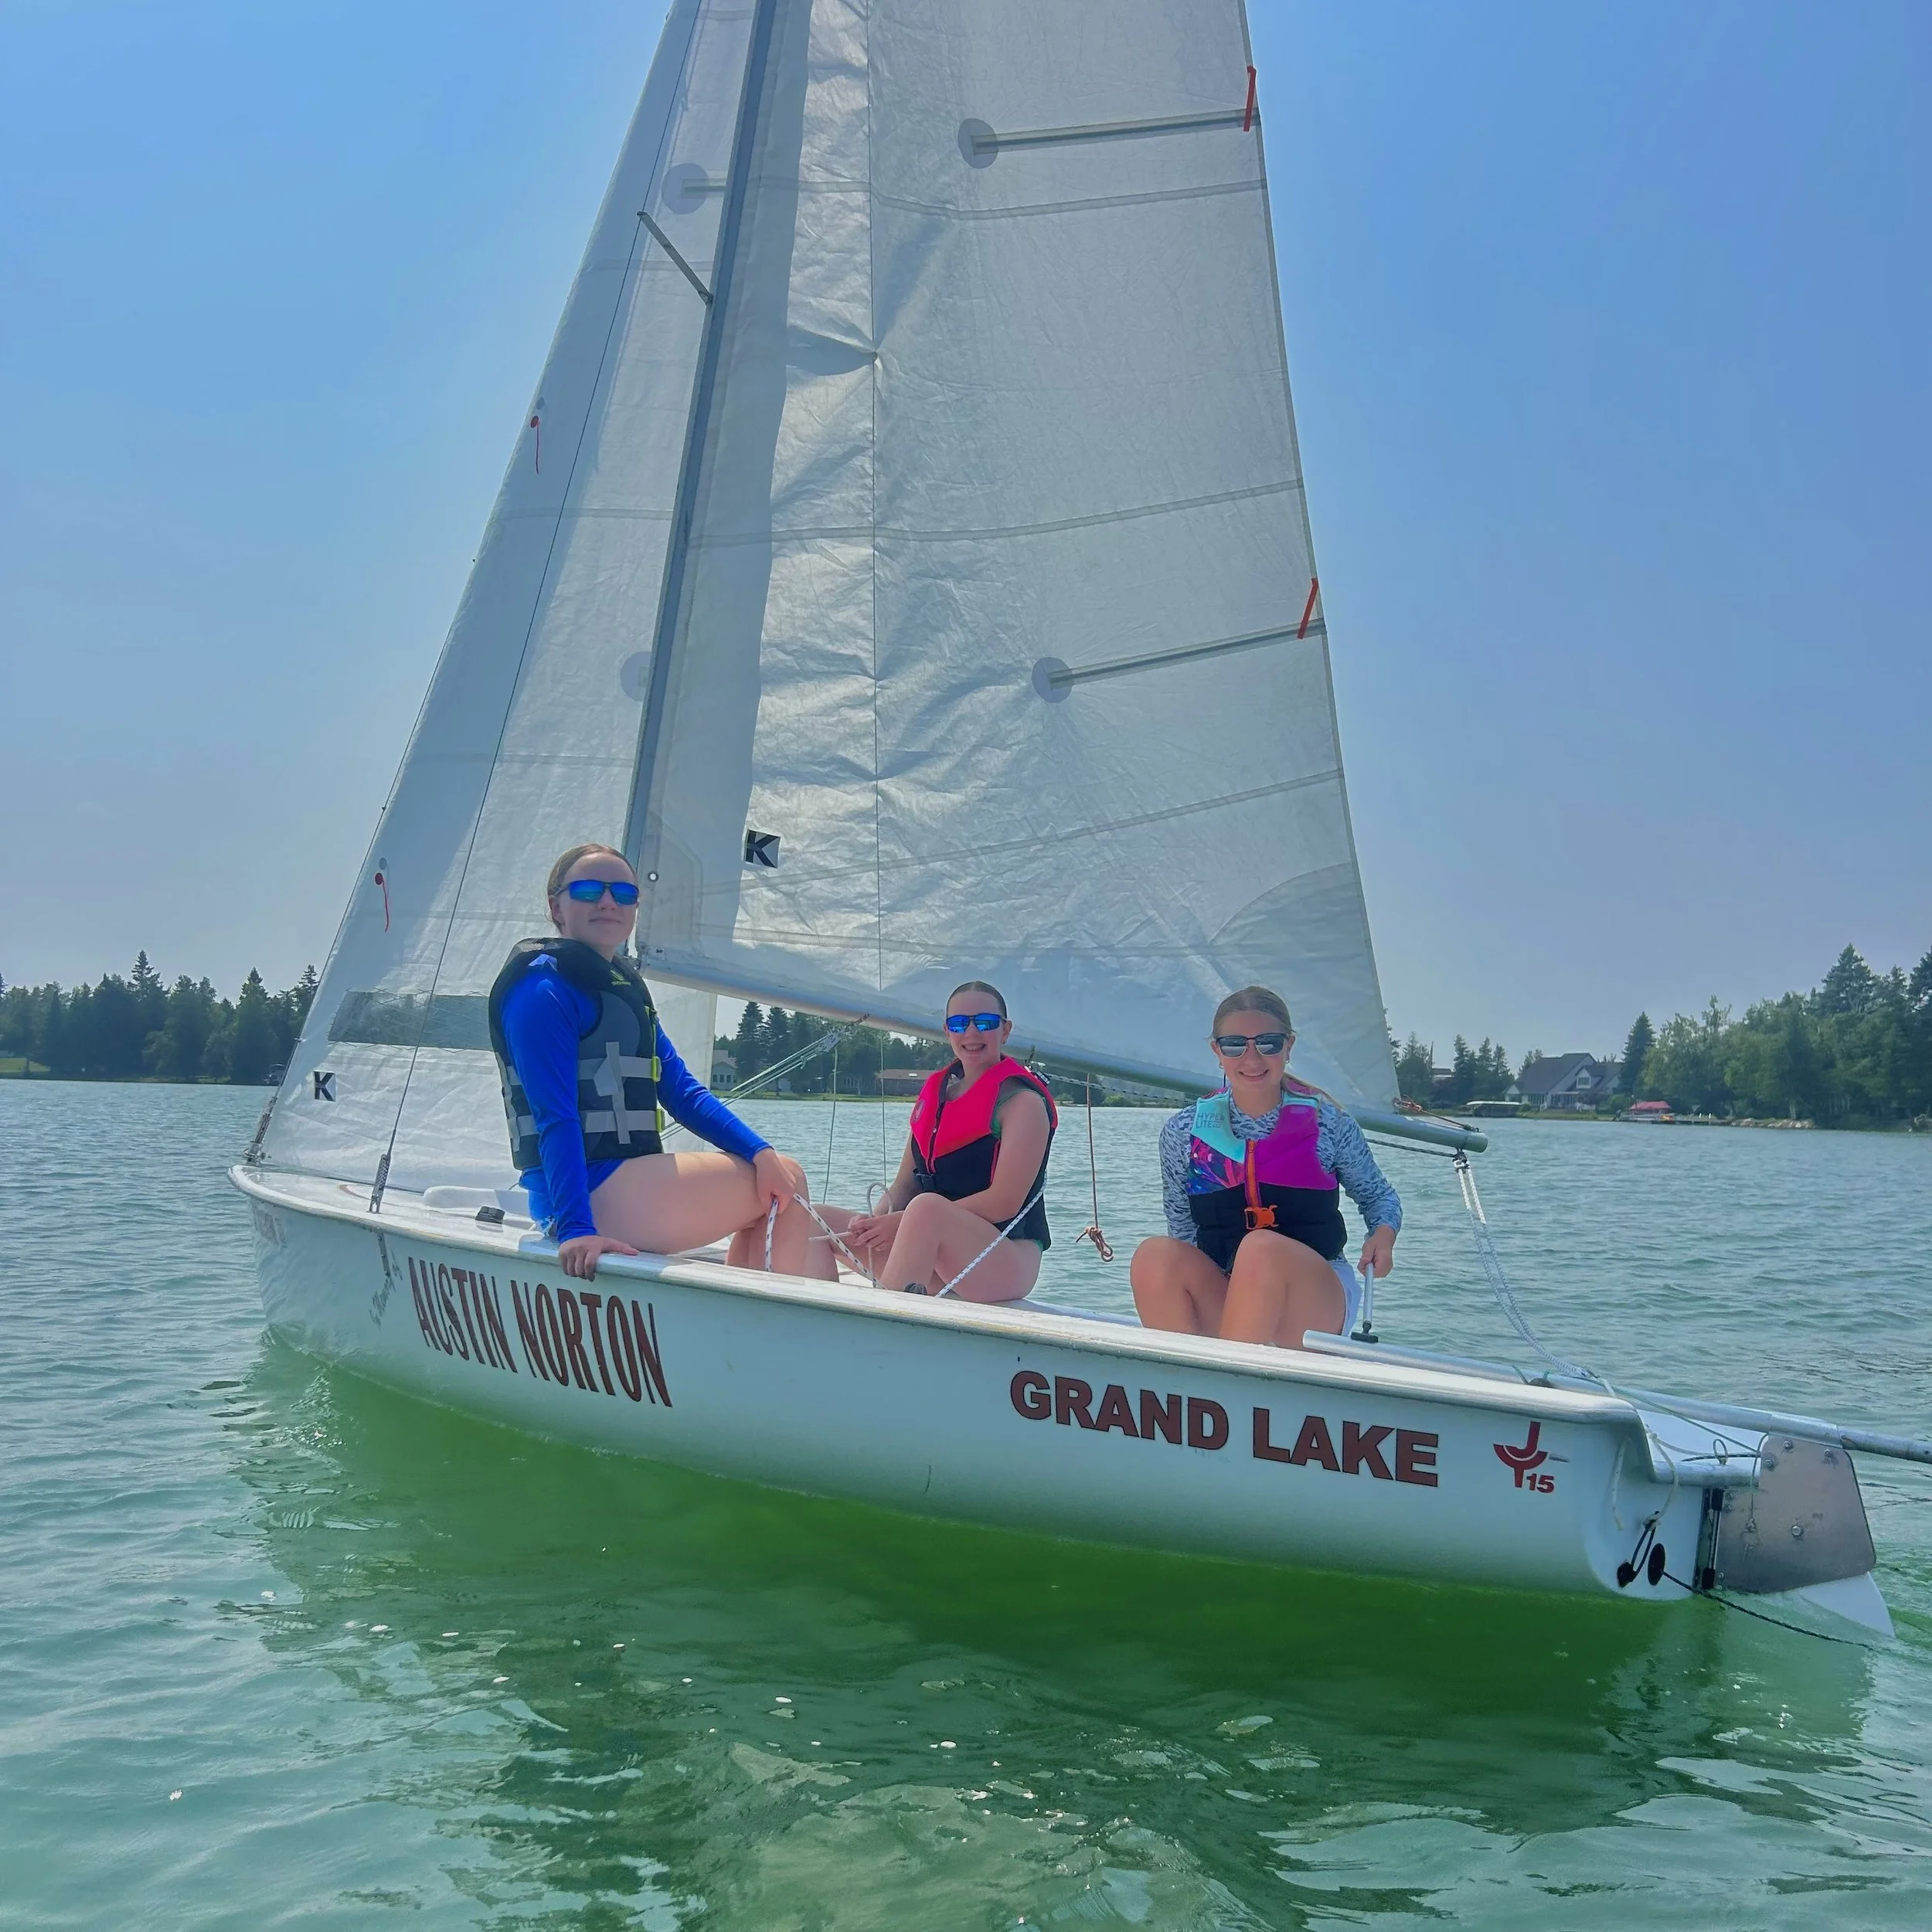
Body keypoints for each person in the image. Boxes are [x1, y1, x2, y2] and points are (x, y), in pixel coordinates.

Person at [487, 842, 832, 1283]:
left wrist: (759, 1151)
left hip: (620, 1188)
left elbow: (683, 1093)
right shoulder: (541, 992)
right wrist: (576, 1230)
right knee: (793, 1182)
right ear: (557, 907)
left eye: (624, 894)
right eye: (590, 890)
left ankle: (740, 1326)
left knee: (777, 1175)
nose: (608, 902)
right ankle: (775, 1331)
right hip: (584, 1197)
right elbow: (555, 1116)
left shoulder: (623, 990)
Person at [1130, 985, 1400, 1349]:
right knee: (1155, 1256)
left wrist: (1383, 1234)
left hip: (1312, 1301)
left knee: (1260, 1249)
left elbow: (1378, 1197)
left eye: (1269, 1043)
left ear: (1289, 1046)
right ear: (1217, 1051)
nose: (1252, 1058)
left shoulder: (1328, 1123)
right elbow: (1184, 1232)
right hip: (1227, 1294)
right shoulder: (1182, 1133)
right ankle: (1192, 1384)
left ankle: (1234, 1386)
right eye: (1235, 1044)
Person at [823, 981, 1057, 1301]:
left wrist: (902, 1223)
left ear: (1005, 1031)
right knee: (811, 1220)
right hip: (926, 1244)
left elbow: (1005, 1201)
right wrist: (876, 1222)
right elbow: (904, 1186)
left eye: (985, 1022)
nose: (971, 1033)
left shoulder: (1022, 1103)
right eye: (960, 1024)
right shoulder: (936, 1097)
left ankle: (880, 1335)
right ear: (948, 1031)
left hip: (1004, 1259)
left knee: (926, 1210)